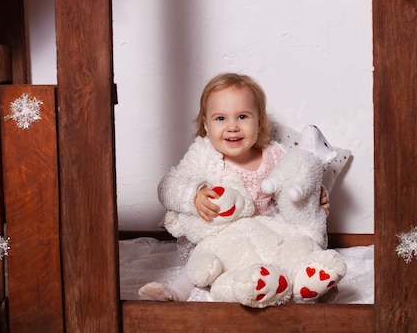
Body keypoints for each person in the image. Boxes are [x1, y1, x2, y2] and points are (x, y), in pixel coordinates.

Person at [139, 72, 329, 301]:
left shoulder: (275, 155)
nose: (232, 127)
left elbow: (297, 183)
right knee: (202, 265)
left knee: (295, 250)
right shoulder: (204, 155)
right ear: (206, 126)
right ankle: (176, 293)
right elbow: (166, 187)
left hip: (266, 237)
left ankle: (305, 283)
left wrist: (316, 196)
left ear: (259, 123)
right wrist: (194, 196)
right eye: (220, 119)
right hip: (221, 240)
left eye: (242, 117)